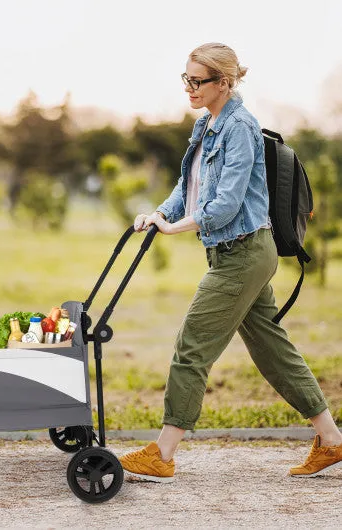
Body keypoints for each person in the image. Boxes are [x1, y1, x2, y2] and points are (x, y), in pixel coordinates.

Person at [119, 42, 342, 483]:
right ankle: (332, 440)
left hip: (243, 254)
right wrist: (161, 212)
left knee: (191, 347)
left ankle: (162, 454)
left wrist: (176, 228)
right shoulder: (207, 125)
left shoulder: (240, 127)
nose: (189, 88)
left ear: (224, 82)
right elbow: (189, 186)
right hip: (234, 253)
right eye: (186, 79)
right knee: (272, 350)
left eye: (197, 81)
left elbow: (225, 203)